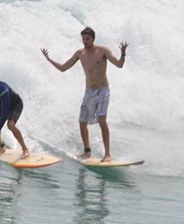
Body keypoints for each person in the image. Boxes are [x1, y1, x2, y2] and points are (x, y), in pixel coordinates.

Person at [41, 27, 127, 162]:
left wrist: (123, 54)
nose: (85, 41)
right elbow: (64, 68)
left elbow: (119, 64)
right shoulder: (80, 54)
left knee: (102, 121)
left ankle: (107, 154)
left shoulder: (102, 51)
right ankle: (87, 152)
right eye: (83, 39)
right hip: (89, 92)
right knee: (82, 123)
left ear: (93, 38)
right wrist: (48, 59)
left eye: (87, 39)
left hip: (103, 91)